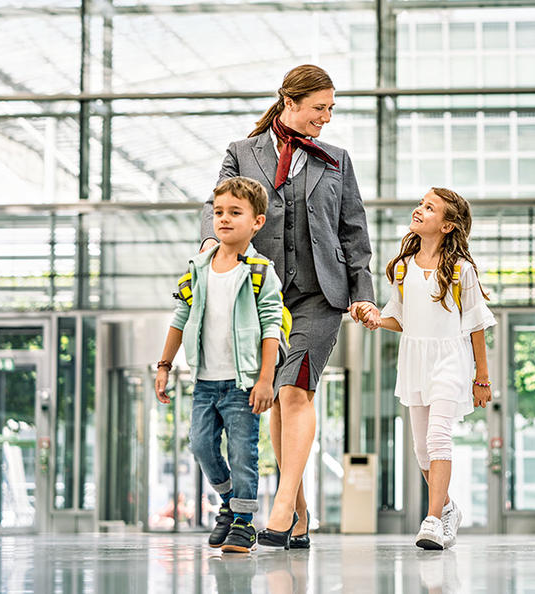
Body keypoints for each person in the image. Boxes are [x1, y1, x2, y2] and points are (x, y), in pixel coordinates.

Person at [202, 64, 378, 549]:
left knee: (295, 391)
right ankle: (299, 513)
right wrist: (209, 250)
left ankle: (280, 511)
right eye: (319, 108)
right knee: (277, 397)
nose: (326, 118)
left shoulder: (336, 159)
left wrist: (362, 293)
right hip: (263, 295)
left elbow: (353, 231)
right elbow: (215, 207)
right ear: (290, 102)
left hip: (321, 292)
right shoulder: (241, 152)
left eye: (331, 109)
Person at [156, 176, 284, 553]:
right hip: (205, 381)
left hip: (243, 383)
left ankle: (244, 523)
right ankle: (228, 501)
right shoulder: (198, 268)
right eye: (218, 213)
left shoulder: (261, 271)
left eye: (235, 213)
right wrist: (164, 364)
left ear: (257, 222)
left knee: (244, 453)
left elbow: (271, 327)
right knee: (200, 445)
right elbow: (180, 317)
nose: (223, 219)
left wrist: (265, 379)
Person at [370, 187, 495, 549]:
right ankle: (449, 507)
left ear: (447, 226)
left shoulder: (460, 270)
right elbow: (399, 317)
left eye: (430, 207)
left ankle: (432, 520)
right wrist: (377, 320)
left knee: (439, 437)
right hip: (414, 359)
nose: (419, 210)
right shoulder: (402, 267)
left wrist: (481, 378)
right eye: (421, 204)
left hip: (450, 360)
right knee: (421, 450)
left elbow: (475, 326)